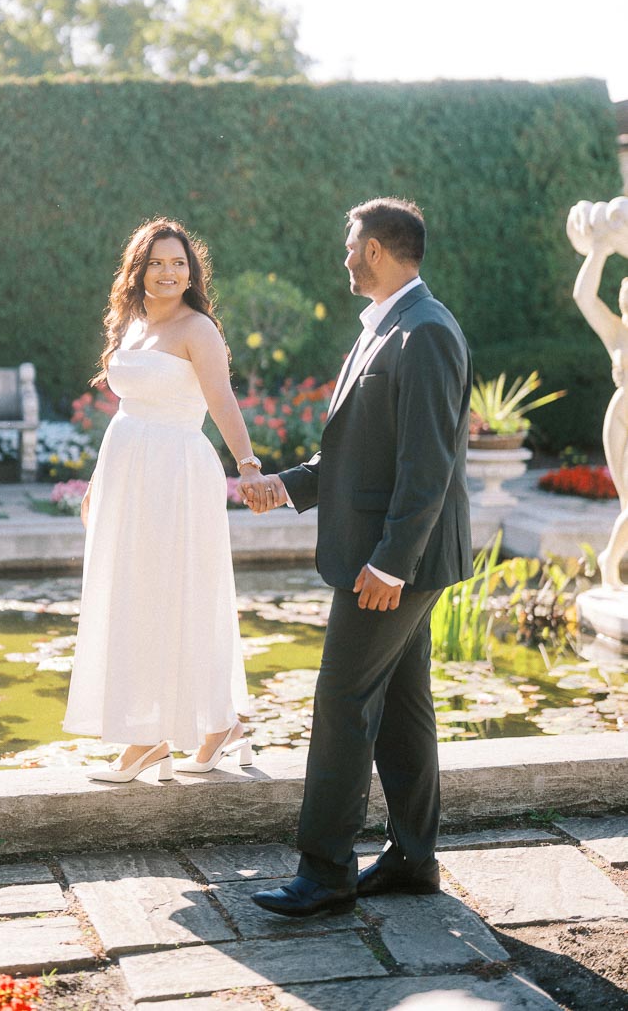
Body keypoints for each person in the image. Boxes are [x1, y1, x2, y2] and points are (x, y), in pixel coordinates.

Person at [242, 197, 472, 916]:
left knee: (341, 701)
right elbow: (353, 455)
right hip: (389, 558)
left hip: (392, 566)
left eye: (350, 245)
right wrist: (283, 488)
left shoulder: (425, 332)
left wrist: (391, 563)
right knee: (403, 708)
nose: (343, 257)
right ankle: (413, 858)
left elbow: (426, 467)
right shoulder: (386, 329)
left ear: (376, 249)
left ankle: (326, 871)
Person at [64, 217, 267, 782]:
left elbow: (222, 400)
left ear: (192, 272)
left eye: (179, 263)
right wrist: (97, 485)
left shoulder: (197, 329)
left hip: (177, 473)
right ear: (139, 269)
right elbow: (126, 411)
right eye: (157, 263)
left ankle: (169, 733)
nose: (168, 273)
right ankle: (206, 727)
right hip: (128, 470)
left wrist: (247, 466)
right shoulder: (130, 322)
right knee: (132, 595)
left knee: (179, 593)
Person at [567, 197, 628, 589]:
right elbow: (583, 297)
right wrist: (602, 248)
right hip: (623, 419)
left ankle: (610, 558)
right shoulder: (617, 333)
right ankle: (610, 562)